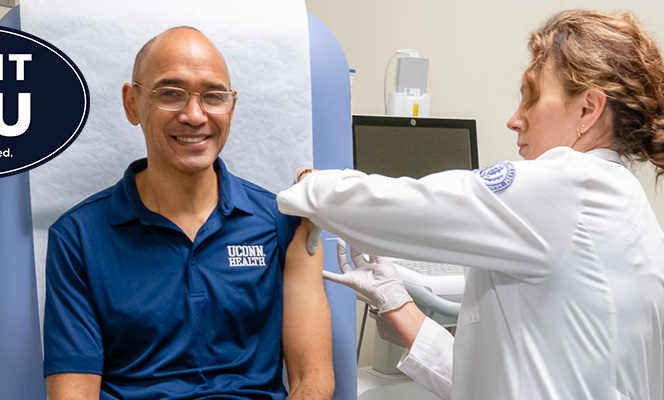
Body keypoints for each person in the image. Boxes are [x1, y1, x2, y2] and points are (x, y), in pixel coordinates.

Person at [278, 9, 664, 400]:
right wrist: (396, 305)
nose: (515, 120)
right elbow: (499, 380)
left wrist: (311, 186)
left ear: (587, 109)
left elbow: (412, 207)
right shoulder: (629, 208)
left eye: (530, 96)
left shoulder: (570, 184)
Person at [43, 27, 334, 400]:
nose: (195, 116)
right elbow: (73, 395)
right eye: (170, 94)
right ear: (132, 103)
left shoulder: (286, 220)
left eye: (213, 96)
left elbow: (314, 381)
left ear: (231, 105)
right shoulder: (78, 238)